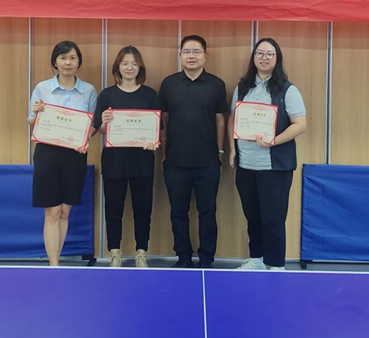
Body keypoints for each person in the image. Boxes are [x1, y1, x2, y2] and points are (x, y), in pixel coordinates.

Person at [229, 38, 307, 271]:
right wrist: (232, 150)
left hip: (275, 167)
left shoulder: (288, 89)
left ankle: (275, 264)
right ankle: (257, 259)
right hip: (246, 165)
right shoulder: (242, 87)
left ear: (277, 59)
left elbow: (300, 124)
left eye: (270, 54)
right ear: (253, 58)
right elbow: (234, 119)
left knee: (273, 219)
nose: (264, 58)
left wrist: (274, 141)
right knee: (252, 217)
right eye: (260, 53)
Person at [159, 35, 228, 269]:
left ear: (205, 56)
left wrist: (220, 151)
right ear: (180, 55)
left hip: (207, 162)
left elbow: (220, 120)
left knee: (207, 212)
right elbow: (164, 120)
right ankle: (183, 257)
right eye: (187, 51)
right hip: (175, 162)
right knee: (178, 212)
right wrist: (165, 155)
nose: (191, 56)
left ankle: (207, 258)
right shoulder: (169, 84)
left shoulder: (216, 84)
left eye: (196, 51)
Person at [27, 40, 98, 267]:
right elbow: (32, 122)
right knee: (52, 211)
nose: (68, 62)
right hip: (47, 153)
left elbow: (92, 125)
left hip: (75, 155)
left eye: (72, 58)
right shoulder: (42, 88)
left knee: (65, 211)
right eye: (63, 58)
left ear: (79, 62)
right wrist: (36, 113)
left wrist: (85, 140)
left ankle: (55, 259)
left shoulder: (89, 91)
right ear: (55, 62)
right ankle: (54, 265)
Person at [94, 46, 160, 268]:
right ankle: (115, 253)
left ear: (140, 67)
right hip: (114, 162)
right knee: (114, 210)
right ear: (118, 67)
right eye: (125, 63)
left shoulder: (150, 94)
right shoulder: (107, 94)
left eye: (134, 63)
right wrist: (105, 122)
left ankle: (142, 252)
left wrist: (153, 142)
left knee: (143, 210)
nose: (129, 67)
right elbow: (100, 130)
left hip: (143, 162)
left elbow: (157, 130)